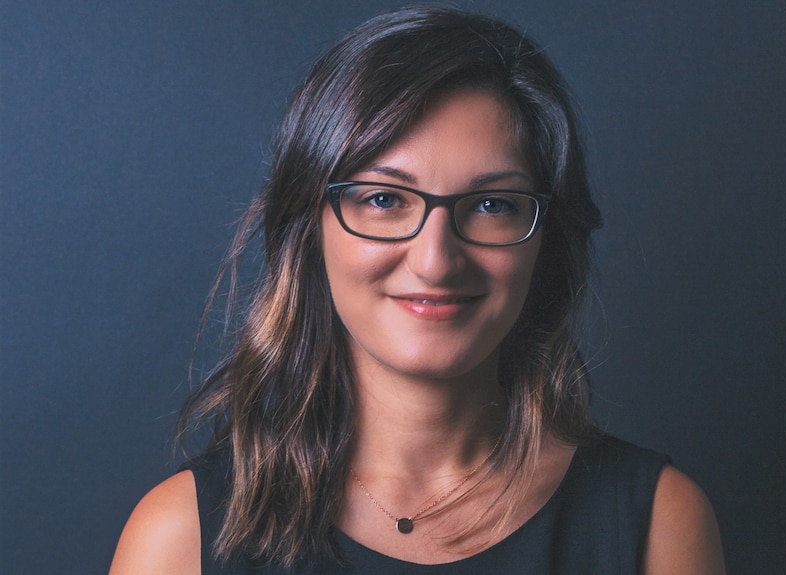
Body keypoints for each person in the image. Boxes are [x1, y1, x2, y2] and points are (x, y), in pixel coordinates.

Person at [109, 6, 724, 574]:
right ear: (310, 230)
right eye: (383, 198)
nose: (435, 260)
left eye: (491, 204)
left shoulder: (655, 525)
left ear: (546, 242)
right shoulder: (179, 538)